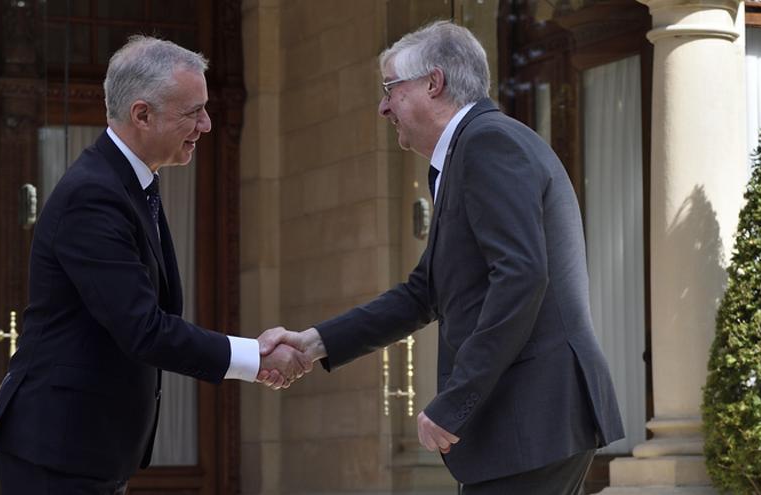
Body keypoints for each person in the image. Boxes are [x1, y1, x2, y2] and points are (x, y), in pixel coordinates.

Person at [260, 21, 625, 494]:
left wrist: (456, 401)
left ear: (433, 83)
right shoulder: (471, 151)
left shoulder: (488, 144)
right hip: (530, 427)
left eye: (390, 88)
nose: (382, 106)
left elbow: (521, 277)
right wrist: (313, 344)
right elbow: (423, 293)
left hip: (533, 420)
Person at [0, 36, 310, 494]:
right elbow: (143, 328)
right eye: (193, 112)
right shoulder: (94, 195)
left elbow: (62, 317)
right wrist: (255, 357)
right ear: (141, 114)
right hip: (60, 450)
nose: (208, 125)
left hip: (89, 447)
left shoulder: (131, 184)